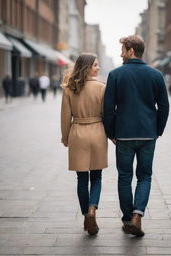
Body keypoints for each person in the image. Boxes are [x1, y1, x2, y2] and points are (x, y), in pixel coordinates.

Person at [103, 35, 169, 237]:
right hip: (148, 134)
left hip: (123, 135)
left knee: (124, 177)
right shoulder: (156, 75)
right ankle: (137, 215)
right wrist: (157, 130)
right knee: (144, 176)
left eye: (123, 49)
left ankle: (127, 218)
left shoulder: (115, 75)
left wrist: (111, 133)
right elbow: (164, 106)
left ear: (131, 50)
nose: (121, 53)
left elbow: (108, 108)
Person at [61, 53, 108, 236]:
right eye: (95, 65)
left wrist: (65, 137)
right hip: (97, 132)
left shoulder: (69, 88)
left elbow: (65, 117)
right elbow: (107, 114)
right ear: (87, 67)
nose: (98, 68)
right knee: (96, 177)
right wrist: (111, 135)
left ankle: (85, 216)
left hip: (78, 133)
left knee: (82, 179)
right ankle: (92, 210)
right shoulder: (101, 88)